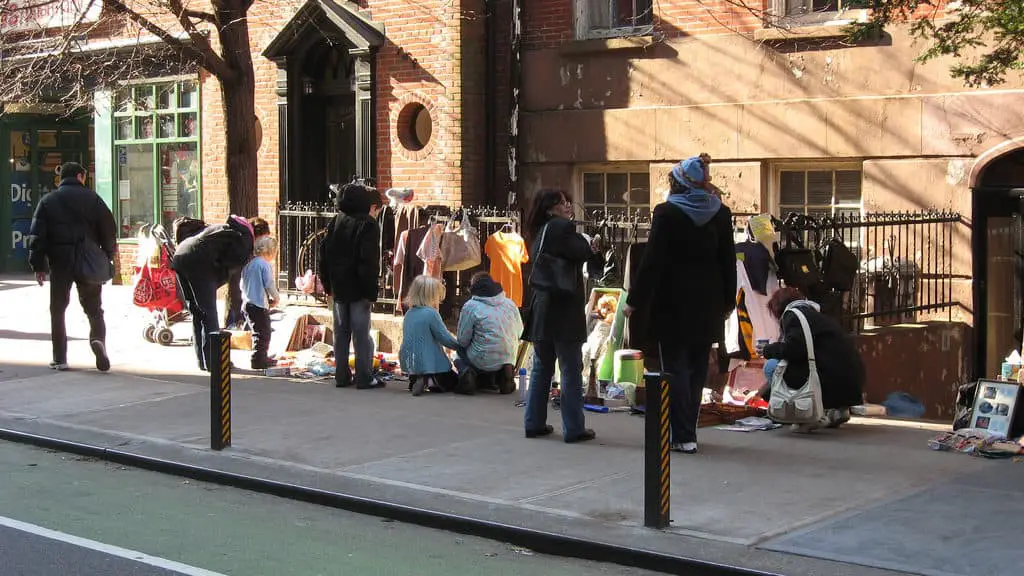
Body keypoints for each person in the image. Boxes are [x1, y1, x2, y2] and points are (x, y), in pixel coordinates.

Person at [624, 156, 737, 454]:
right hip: (708, 303)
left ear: (678, 182)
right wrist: (728, 302)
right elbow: (728, 262)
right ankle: (688, 430)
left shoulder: (667, 213)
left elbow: (652, 262)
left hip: (672, 304)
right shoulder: (721, 214)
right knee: (697, 370)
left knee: (674, 369)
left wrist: (634, 301)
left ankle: (682, 434)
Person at [522, 188, 598, 443]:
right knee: (570, 370)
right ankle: (574, 428)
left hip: (543, 309)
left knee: (541, 369)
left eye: (567, 201)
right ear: (549, 209)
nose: (567, 206)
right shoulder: (560, 227)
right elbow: (579, 251)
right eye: (561, 203)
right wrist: (590, 244)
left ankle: (534, 422)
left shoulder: (539, 231)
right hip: (563, 310)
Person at [27, 162, 116, 372]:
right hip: (88, 259)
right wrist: (107, 255)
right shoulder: (93, 199)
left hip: (61, 261)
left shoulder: (48, 201)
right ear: (80, 176)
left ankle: (60, 358)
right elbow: (108, 229)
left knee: (58, 309)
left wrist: (38, 265)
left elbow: (37, 236)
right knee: (94, 309)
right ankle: (98, 340)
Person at [753, 287, 865, 432]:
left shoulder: (793, 315)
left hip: (829, 379)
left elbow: (794, 350)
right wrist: (760, 393)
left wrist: (768, 350)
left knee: (772, 366)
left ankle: (810, 416)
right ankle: (835, 410)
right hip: (850, 380)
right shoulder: (815, 315)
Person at [319, 182, 385, 389]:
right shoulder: (368, 224)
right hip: (358, 287)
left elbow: (324, 255)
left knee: (341, 333)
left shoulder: (336, 221)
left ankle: (341, 375)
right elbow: (368, 260)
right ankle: (364, 376)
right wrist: (370, 289)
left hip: (339, 285)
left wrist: (327, 283)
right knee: (360, 333)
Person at [171, 215, 255, 371]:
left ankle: (202, 361)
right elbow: (231, 266)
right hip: (199, 261)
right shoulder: (245, 239)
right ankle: (214, 362)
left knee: (197, 312)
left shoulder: (228, 229)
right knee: (209, 314)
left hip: (181, 254)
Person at [455, 271, 523, 394]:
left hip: (481, 358)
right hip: (508, 356)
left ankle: (467, 372)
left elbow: (462, 340)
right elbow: (520, 332)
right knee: (498, 352)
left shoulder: (470, 306)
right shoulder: (510, 303)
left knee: (459, 350)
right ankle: (505, 371)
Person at [400, 275, 461, 396]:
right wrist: (459, 346)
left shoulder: (409, 314)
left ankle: (419, 379)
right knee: (455, 381)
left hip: (411, 362)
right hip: (431, 363)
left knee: (420, 366)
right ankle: (430, 379)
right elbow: (444, 337)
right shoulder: (431, 314)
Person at [224, 217, 271, 329]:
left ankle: (240, 321)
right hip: (229, 271)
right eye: (264, 238)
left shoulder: (246, 238)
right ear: (258, 235)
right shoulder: (246, 241)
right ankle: (235, 322)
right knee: (237, 291)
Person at [242, 236, 281, 369]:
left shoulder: (249, 263)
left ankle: (261, 356)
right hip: (258, 303)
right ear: (270, 251)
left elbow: (242, 284)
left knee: (258, 331)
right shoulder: (264, 265)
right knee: (263, 332)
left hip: (247, 302)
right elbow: (269, 284)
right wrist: (276, 298)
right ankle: (258, 358)